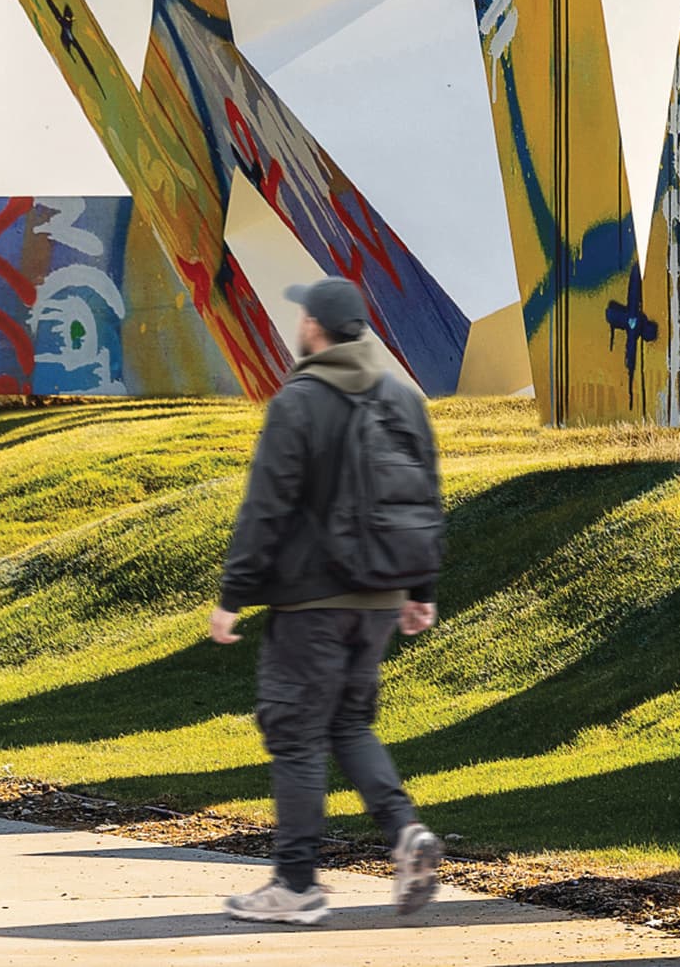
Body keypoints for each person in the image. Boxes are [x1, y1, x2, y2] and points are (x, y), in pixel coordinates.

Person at [208, 276, 447, 927]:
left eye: (303, 314)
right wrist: (418, 591)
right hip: (378, 598)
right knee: (348, 724)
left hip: (313, 601)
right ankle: (405, 832)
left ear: (315, 326)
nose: (299, 324)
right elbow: (426, 494)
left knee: (296, 737)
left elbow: (268, 503)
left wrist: (233, 594)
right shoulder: (402, 396)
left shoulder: (302, 400)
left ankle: (296, 885)